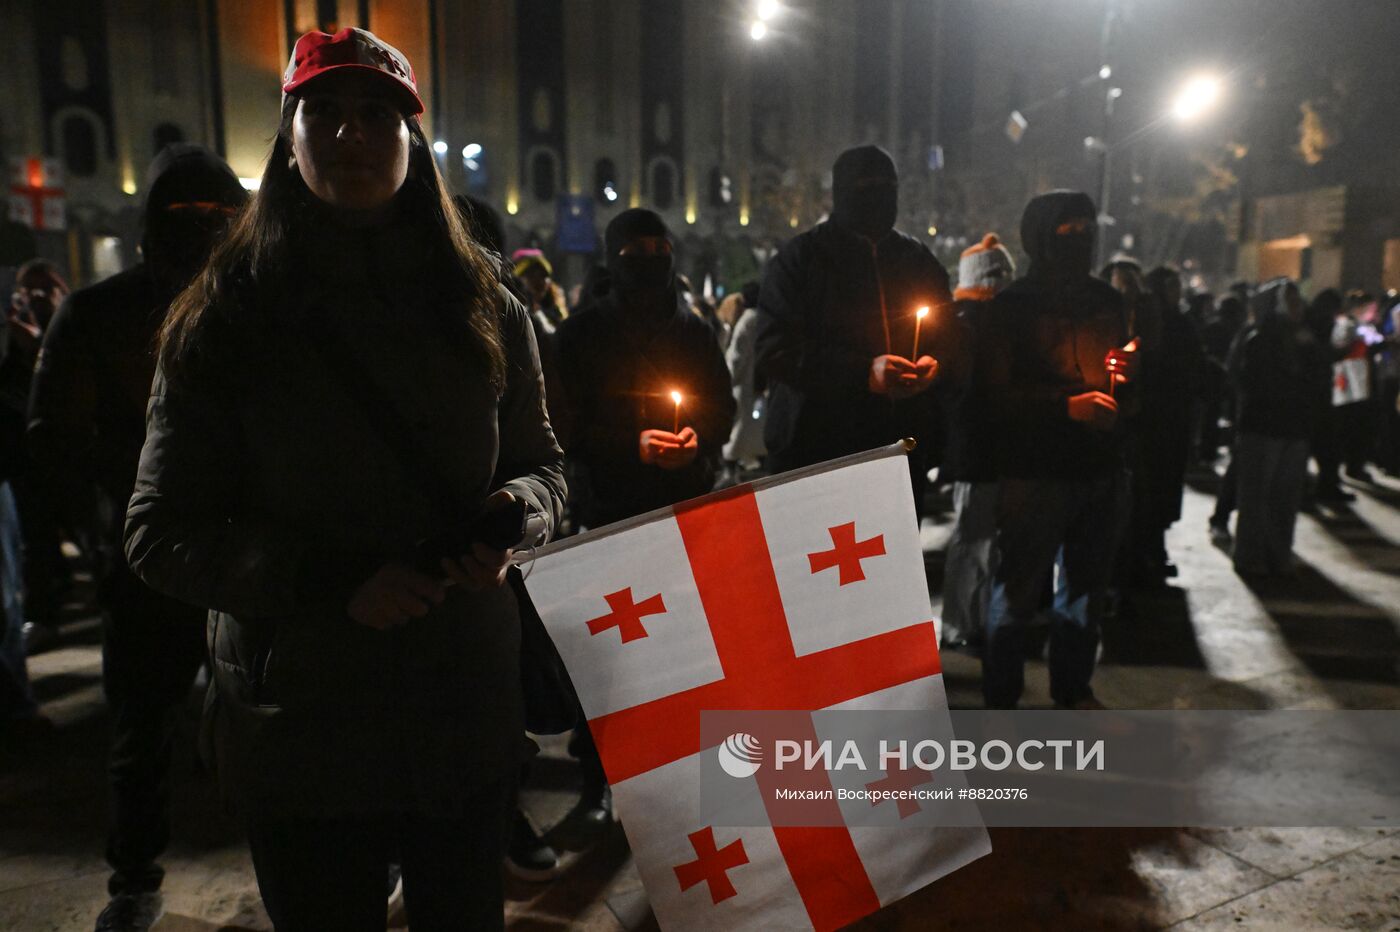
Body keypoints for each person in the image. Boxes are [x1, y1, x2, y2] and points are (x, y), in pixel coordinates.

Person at [122, 28, 565, 931]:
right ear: (288, 139)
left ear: (414, 141)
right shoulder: (223, 318)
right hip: (303, 730)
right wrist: (328, 584)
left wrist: (520, 515)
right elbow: (157, 531)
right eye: (323, 113)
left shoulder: (488, 306)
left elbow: (546, 466)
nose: (352, 134)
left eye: (377, 114)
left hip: (461, 718)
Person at [25, 144, 246, 932]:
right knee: (143, 724)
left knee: (278, 718)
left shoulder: (263, 306)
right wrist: (136, 493)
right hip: (150, 556)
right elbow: (54, 436)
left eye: (221, 217)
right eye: (186, 217)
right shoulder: (96, 314)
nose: (205, 231)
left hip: (252, 555)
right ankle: (134, 875)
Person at [554, 207, 734, 825]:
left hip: (681, 514)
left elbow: (721, 407)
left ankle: (675, 778)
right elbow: (561, 427)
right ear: (613, 258)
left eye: (662, 247)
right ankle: (599, 783)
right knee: (606, 661)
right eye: (637, 250)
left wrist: (698, 438)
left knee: (679, 655)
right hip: (607, 515)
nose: (651, 259)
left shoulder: (696, 333)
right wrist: (631, 443)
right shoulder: (579, 337)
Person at [980, 191, 1137, 710]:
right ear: (1042, 236)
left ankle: (1073, 689)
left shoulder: (1106, 302)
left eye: (1088, 229)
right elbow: (994, 395)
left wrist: (1128, 377)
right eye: (1067, 231)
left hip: (1099, 468)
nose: (1081, 239)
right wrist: (1065, 406)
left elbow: (1125, 372)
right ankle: (1001, 699)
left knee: (1085, 594)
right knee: (1017, 592)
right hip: (1034, 472)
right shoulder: (1012, 306)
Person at [754, 145, 950, 511]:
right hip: (816, 454)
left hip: (898, 453)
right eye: (866, 186)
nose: (878, 195)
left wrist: (933, 366)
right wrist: (863, 373)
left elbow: (948, 334)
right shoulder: (800, 260)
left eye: (887, 185)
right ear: (841, 193)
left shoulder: (918, 260)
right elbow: (775, 351)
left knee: (891, 564)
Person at [939, 234, 1015, 652]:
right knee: (976, 544)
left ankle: (972, 623)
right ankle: (962, 625)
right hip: (981, 452)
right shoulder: (973, 326)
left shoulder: (963, 322)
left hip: (976, 452)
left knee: (981, 544)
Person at [1230, 279, 1330, 577]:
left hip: (1294, 428)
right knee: (1257, 497)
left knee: (1285, 499)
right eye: (1292, 302)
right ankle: (1250, 556)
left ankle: (1278, 555)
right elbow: (1252, 382)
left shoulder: (1304, 338)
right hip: (1264, 427)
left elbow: (1319, 377)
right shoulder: (1259, 338)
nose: (1299, 308)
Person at [2, 259, 71, 651]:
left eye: (43, 291)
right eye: (26, 292)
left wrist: (37, 347)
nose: (34, 299)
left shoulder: (67, 326)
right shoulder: (15, 331)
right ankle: (44, 608)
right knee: (35, 536)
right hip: (20, 451)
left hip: (58, 450)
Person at [720, 281, 766, 479]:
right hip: (756, 382)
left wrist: (726, 379)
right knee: (753, 428)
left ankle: (730, 470)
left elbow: (737, 356)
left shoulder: (747, 321)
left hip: (742, 383)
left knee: (738, 430)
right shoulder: (762, 318)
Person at [512, 248, 568, 335]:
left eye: (543, 275)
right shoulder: (514, 310)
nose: (538, 280)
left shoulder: (556, 310)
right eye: (530, 275)